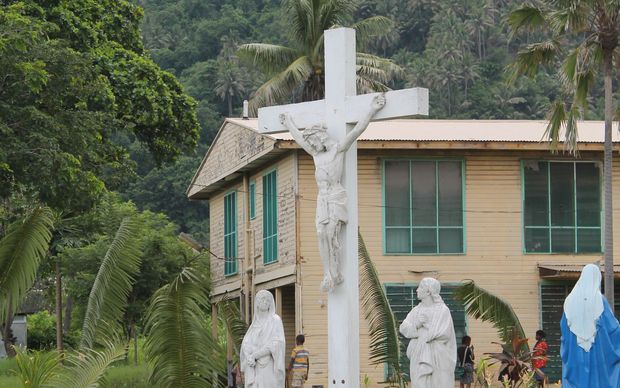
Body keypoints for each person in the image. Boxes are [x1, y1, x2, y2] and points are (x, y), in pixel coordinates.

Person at [279, 93, 386, 292]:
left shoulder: (337, 150)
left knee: (331, 234)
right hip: (322, 199)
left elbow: (357, 130)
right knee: (320, 233)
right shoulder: (315, 156)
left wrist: (372, 109)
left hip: (336, 197)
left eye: (313, 142)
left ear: (320, 137)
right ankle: (328, 272)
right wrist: (289, 124)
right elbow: (300, 139)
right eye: (310, 144)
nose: (311, 145)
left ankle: (335, 272)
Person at [560, 264, 620, 388]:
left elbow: (564, 331)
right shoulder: (600, 300)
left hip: (575, 355)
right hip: (597, 356)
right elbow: (613, 329)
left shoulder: (569, 301)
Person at [399, 277, 457, 388]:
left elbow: (445, 333)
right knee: (419, 383)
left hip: (438, 357)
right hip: (419, 354)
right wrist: (417, 324)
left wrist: (427, 326)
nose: (417, 290)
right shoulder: (416, 310)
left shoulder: (442, 310)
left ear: (428, 291)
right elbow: (403, 328)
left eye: (420, 287)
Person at [240, 290, 286, 387]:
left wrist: (255, 355)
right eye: (261, 299)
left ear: (270, 303)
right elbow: (246, 343)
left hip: (268, 365)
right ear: (256, 303)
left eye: (267, 299)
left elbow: (276, 343)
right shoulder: (254, 325)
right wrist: (249, 356)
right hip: (254, 367)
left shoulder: (275, 320)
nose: (264, 302)